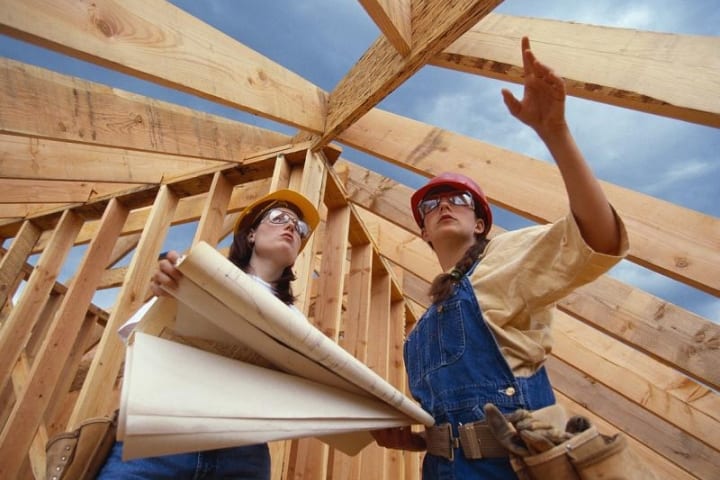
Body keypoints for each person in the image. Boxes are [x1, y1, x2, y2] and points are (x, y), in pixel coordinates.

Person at [371, 36, 629, 479]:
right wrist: (414, 438)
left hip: (513, 468)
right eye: (431, 206)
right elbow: (452, 417)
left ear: (480, 223)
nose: (443, 206)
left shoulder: (509, 257)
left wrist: (555, 133)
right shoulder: (424, 323)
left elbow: (598, 239)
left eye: (457, 200)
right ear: (424, 233)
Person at [97, 189, 320, 480]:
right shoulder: (200, 276)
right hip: (162, 437)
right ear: (251, 235)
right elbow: (138, 343)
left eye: (299, 228)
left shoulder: (296, 322)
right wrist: (168, 295)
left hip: (243, 457)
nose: (291, 226)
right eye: (278, 218)